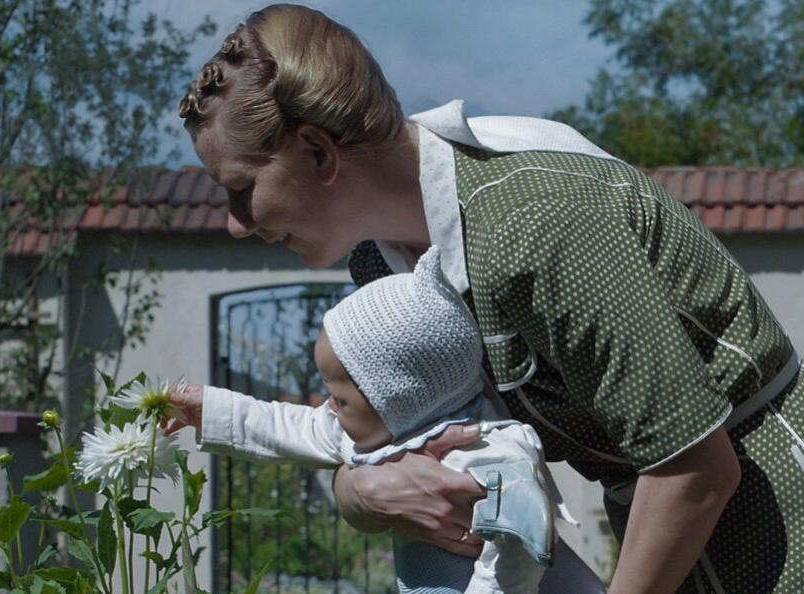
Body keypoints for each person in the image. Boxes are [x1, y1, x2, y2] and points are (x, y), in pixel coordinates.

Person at [177, 4, 804, 593]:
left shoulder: (535, 225)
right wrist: (363, 494)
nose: (234, 222)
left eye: (242, 187)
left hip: (776, 516)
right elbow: (380, 433)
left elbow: (696, 468)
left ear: (317, 152)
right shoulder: (380, 264)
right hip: (665, 534)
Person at [166, 247, 575, 594]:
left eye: (341, 398)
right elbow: (288, 427)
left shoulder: (489, 451)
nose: (329, 407)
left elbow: (515, 559)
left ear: (398, 397)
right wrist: (209, 410)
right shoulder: (387, 429)